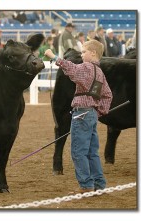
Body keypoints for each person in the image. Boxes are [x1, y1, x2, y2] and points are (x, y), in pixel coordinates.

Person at [44, 39, 113, 194]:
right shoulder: (99, 72)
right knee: (91, 152)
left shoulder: (86, 68)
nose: (81, 55)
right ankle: (99, 183)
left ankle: (86, 185)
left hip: (81, 113)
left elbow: (70, 68)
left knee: (78, 151)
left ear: (93, 53)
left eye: (83, 52)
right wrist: (100, 111)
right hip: (91, 115)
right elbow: (107, 95)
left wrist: (53, 56)